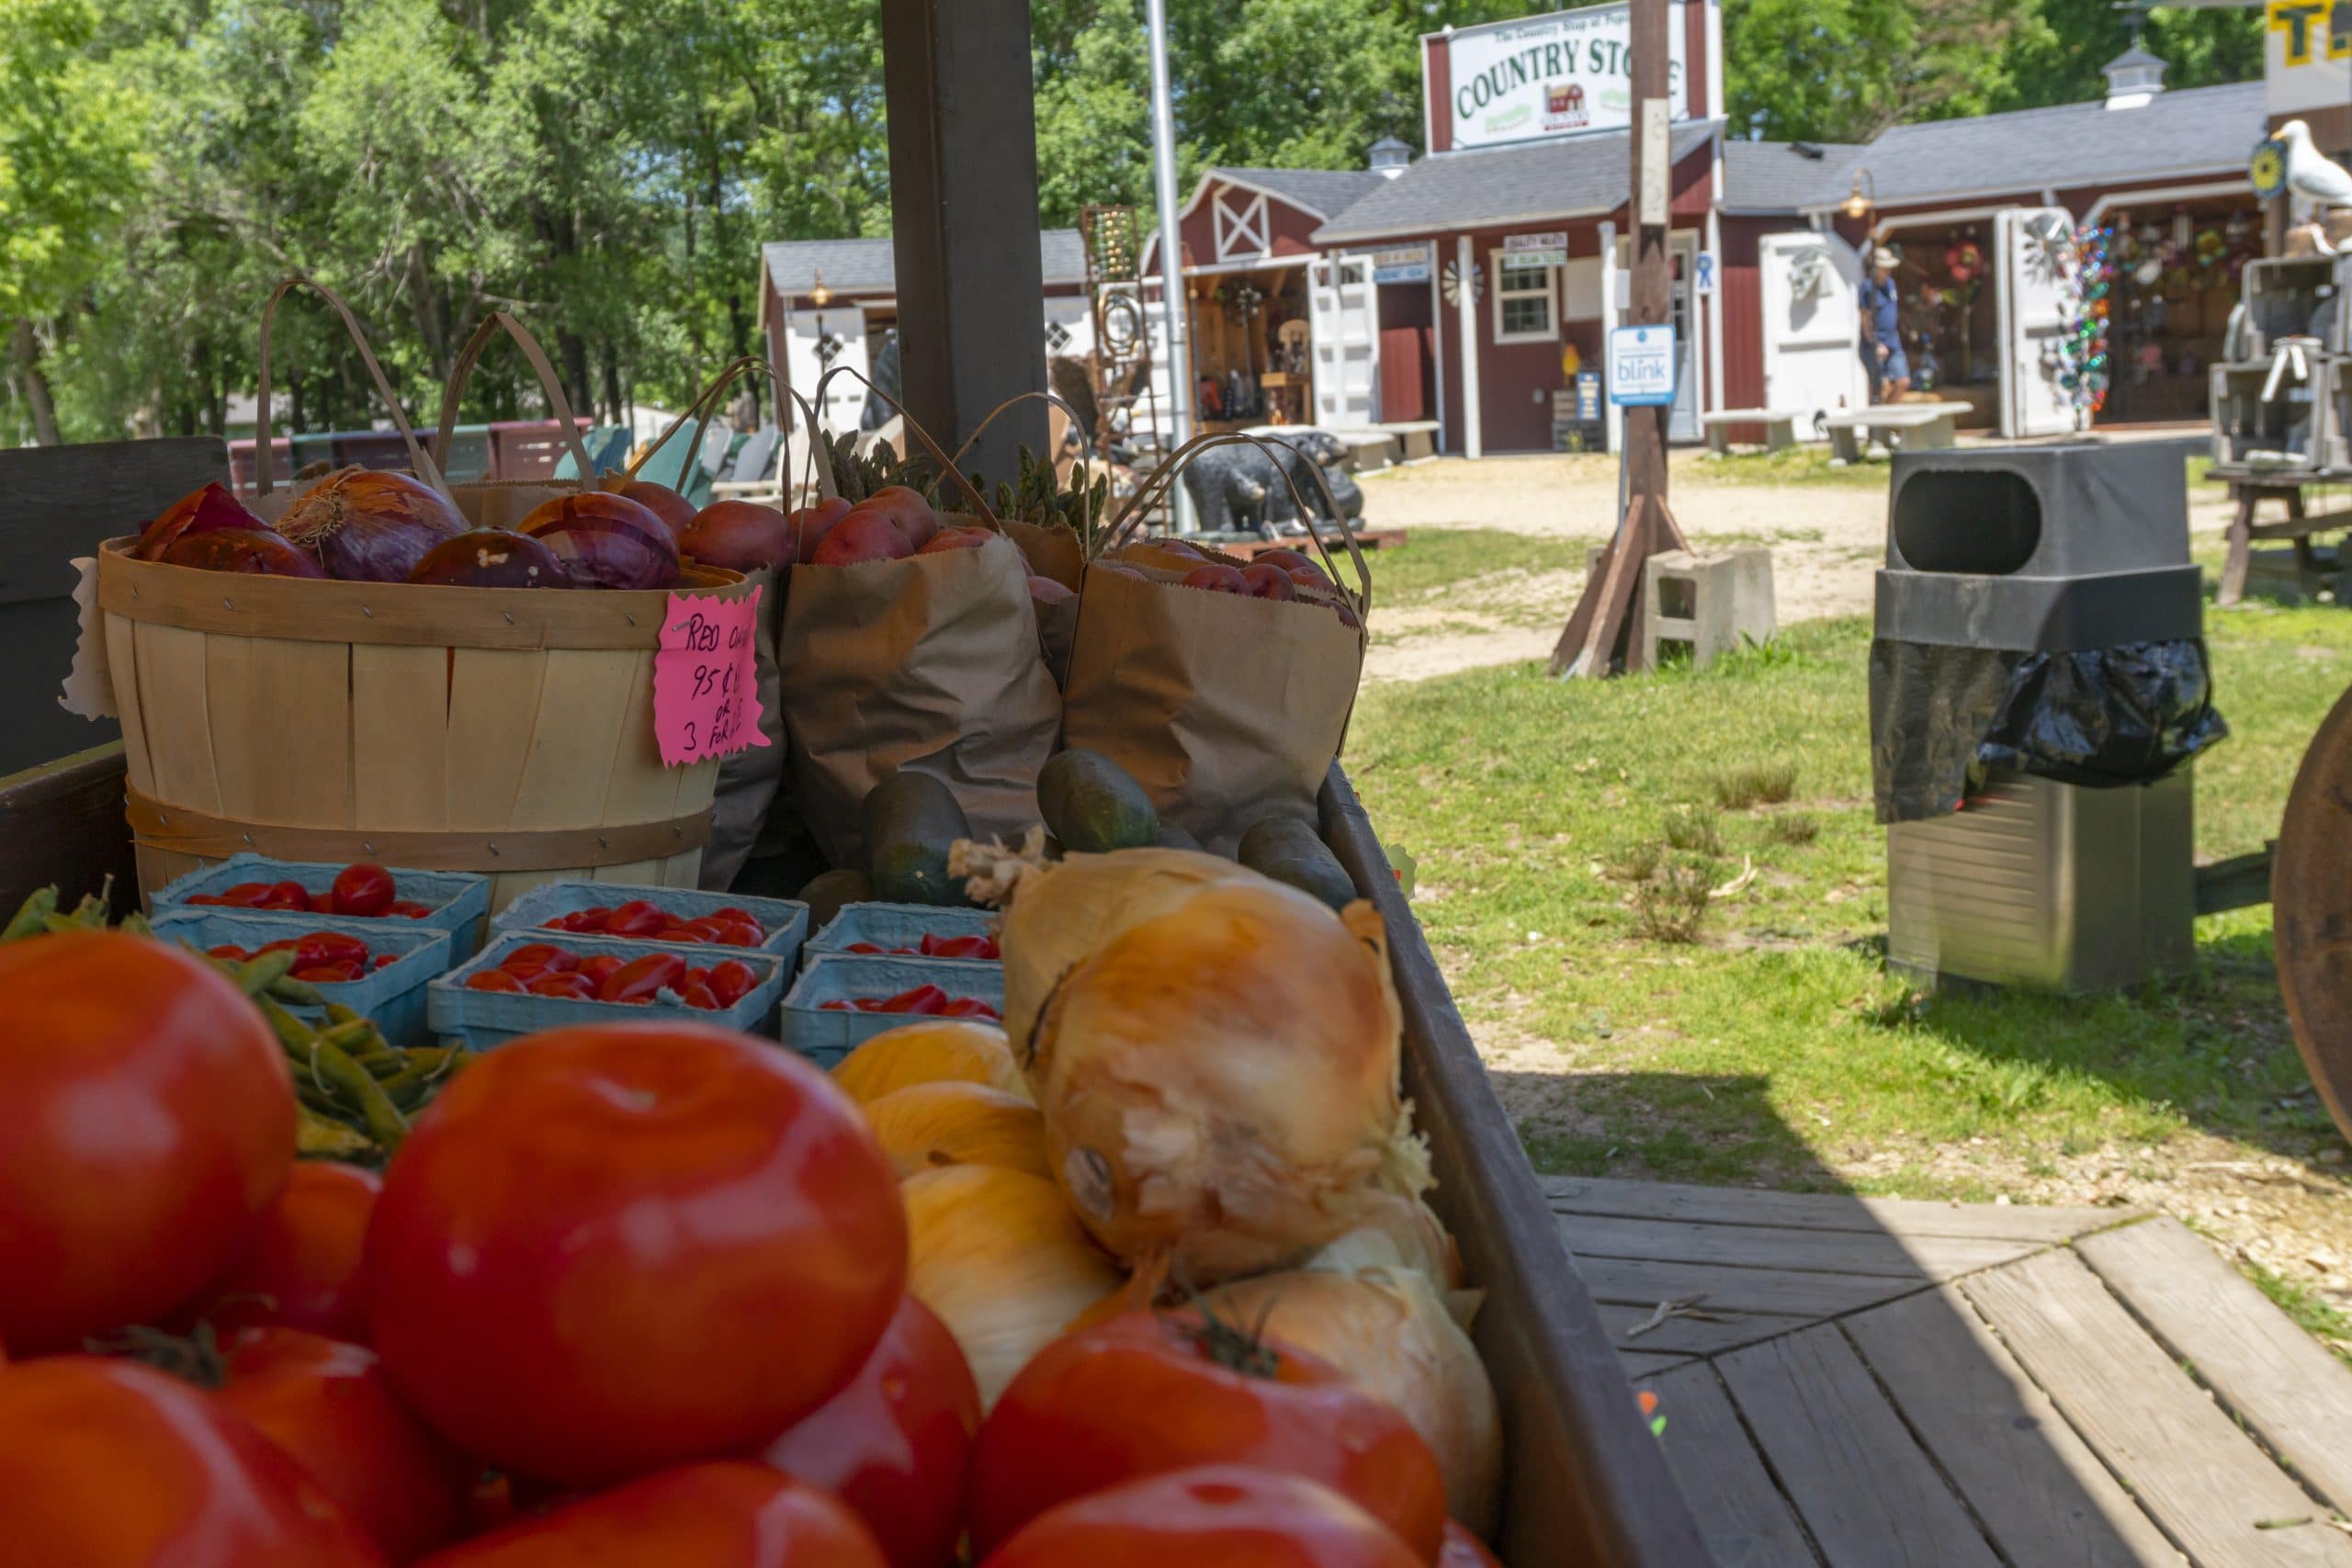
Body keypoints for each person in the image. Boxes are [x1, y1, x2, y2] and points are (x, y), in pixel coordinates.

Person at [1860, 246, 1909, 402]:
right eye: (1884, 268)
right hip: (1876, 343)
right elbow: (1865, 320)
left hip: (1893, 341)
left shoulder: (1891, 285)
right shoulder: (1867, 288)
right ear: (1876, 268)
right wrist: (1875, 344)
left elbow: (1892, 311)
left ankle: (1886, 416)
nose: (1888, 271)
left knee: (1903, 382)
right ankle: (1878, 421)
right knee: (1878, 387)